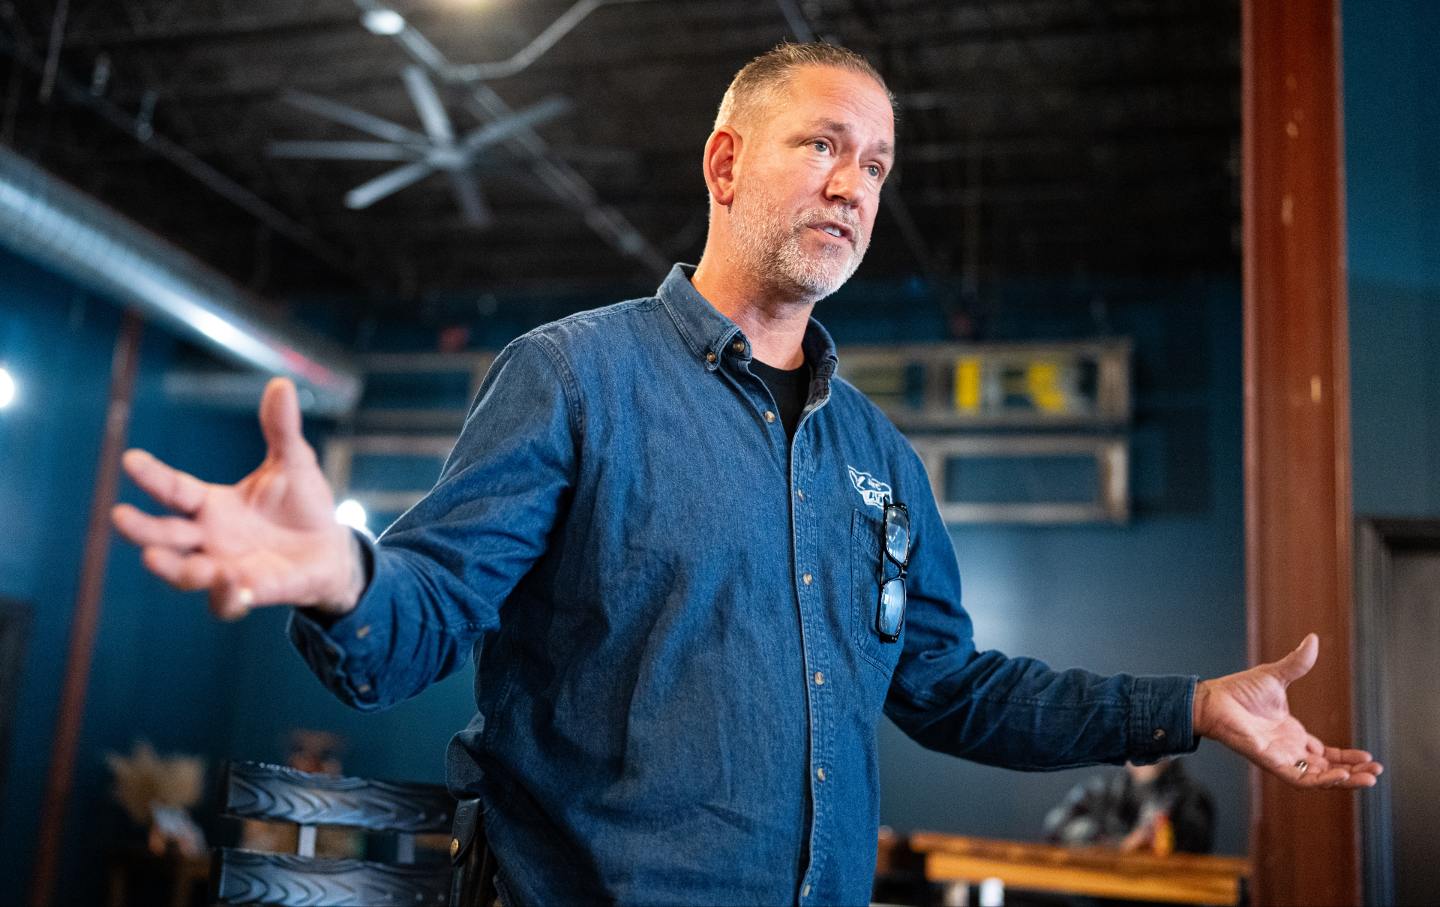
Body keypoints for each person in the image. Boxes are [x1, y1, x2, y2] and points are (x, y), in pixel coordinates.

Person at [111, 42, 1382, 906]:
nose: (853, 184)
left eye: (876, 164)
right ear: (724, 166)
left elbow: (954, 690)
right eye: (822, 145)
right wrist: (341, 573)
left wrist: (1194, 708)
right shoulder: (573, 377)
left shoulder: (879, 457)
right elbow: (418, 620)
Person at [1043, 759, 1215, 855]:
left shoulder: (1191, 797)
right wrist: (1117, 844)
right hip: (1099, 896)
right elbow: (1055, 826)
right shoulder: (1102, 788)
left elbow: (1190, 850)